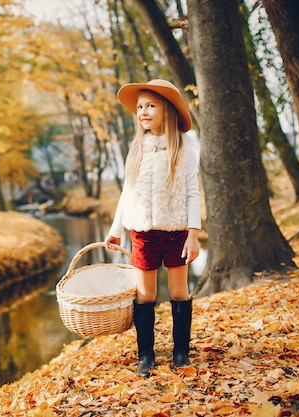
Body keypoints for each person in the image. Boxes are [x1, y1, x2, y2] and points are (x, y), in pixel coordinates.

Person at [105, 79, 200, 377]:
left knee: (178, 290)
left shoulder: (183, 147)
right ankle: (145, 354)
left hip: (176, 232)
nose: (143, 112)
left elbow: (191, 192)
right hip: (142, 233)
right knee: (145, 294)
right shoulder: (137, 148)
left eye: (150, 106)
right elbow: (127, 192)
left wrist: (194, 235)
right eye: (140, 107)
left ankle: (181, 352)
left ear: (167, 110)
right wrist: (115, 228)